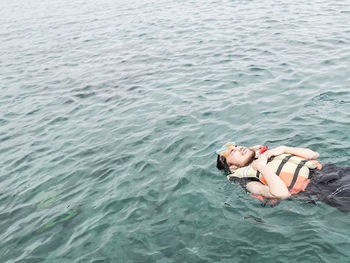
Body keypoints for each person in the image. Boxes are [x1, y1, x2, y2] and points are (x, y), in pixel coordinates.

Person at [216, 143, 350, 212]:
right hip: (324, 189)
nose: (239, 148)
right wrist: (262, 167)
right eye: (233, 151)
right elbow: (282, 194)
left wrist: (284, 148)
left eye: (237, 146)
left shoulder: (268, 154)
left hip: (334, 172)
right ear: (233, 168)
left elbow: (314, 154)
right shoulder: (247, 181)